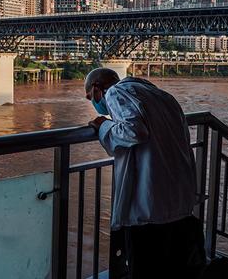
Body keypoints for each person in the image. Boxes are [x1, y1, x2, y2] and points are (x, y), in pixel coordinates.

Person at [85, 68, 206, 278]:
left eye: (90, 98)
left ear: (97, 89)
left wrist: (103, 125)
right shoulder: (161, 95)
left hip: (150, 208)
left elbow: (134, 131)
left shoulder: (114, 92)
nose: (94, 104)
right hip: (179, 201)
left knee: (146, 270)